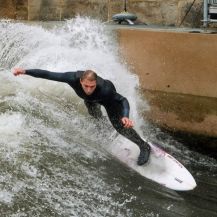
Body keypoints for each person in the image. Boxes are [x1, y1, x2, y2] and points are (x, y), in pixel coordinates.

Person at [13, 68, 151, 165]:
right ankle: (105, 130)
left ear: (95, 83)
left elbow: (123, 100)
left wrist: (125, 116)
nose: (89, 89)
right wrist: (25, 71)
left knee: (119, 126)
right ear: (80, 82)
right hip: (90, 101)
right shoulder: (71, 78)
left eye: (92, 86)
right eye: (86, 86)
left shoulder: (105, 90)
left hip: (106, 99)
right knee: (94, 115)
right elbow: (48, 74)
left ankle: (144, 146)